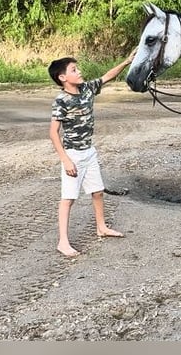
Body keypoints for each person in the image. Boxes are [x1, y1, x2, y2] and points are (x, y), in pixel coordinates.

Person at [48, 49, 136, 257]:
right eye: (74, 70)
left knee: (97, 192)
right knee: (68, 198)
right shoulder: (61, 101)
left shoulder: (87, 89)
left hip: (89, 152)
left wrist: (127, 61)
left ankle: (101, 227)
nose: (79, 72)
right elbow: (53, 133)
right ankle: (63, 242)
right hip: (73, 155)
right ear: (62, 77)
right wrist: (66, 160)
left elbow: (107, 76)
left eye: (77, 68)